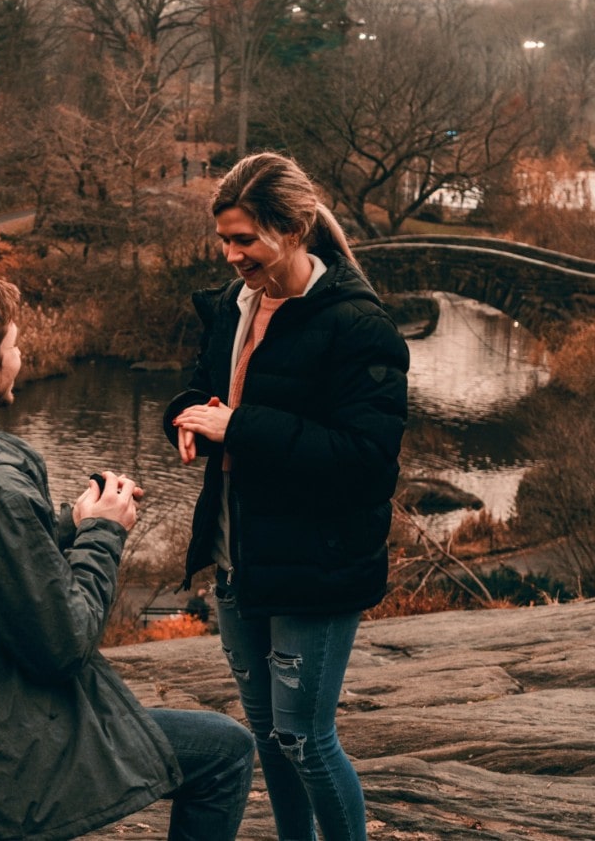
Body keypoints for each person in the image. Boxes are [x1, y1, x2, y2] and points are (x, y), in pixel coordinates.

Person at [0, 271, 254, 840]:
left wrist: (69, 523)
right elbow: (64, 645)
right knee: (226, 751)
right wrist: (104, 535)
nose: (22, 353)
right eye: (12, 344)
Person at [164, 152, 409, 841]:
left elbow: (366, 463)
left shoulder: (357, 326)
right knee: (269, 734)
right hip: (239, 557)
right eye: (224, 239)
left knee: (305, 737)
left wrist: (239, 426)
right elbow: (202, 385)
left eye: (246, 240)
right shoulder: (233, 305)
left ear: (294, 229)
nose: (232, 254)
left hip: (317, 564)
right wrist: (187, 419)